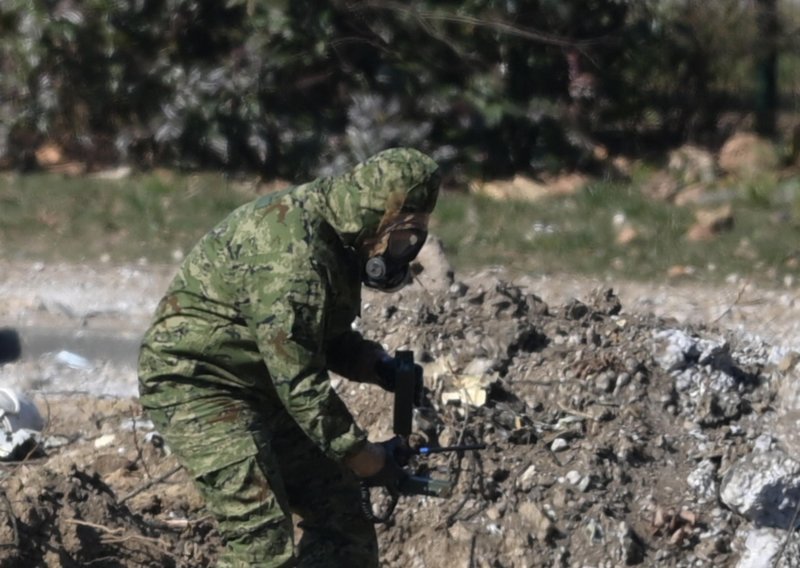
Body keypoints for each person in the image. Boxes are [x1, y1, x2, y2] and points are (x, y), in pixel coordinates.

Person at [138, 147, 441, 567]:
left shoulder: (337, 239)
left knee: (341, 515)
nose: (401, 253)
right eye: (402, 236)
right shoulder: (292, 255)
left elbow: (319, 337)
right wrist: (367, 458)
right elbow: (301, 385)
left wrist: (377, 366)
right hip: (198, 385)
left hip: (260, 385)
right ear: (377, 216)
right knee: (260, 545)